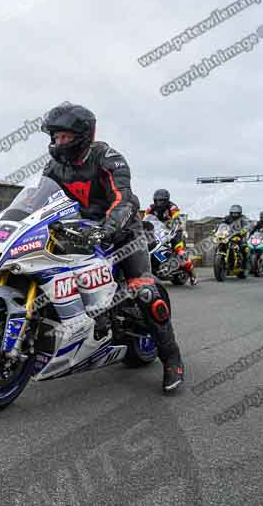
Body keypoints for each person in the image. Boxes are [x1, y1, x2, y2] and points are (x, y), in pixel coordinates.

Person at [40, 101, 184, 392]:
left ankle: (172, 359)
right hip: (77, 232)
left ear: (82, 135)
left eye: (64, 136)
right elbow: (39, 198)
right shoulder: (54, 166)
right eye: (55, 136)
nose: (58, 142)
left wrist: (109, 229)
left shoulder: (108, 157)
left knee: (145, 291)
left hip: (123, 233)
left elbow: (123, 199)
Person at [144, 189, 196, 285]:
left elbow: (176, 218)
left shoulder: (172, 207)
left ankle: (192, 274)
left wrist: (174, 224)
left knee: (179, 251)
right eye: (157, 200)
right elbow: (146, 219)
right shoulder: (151, 207)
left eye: (161, 200)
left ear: (167, 200)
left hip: (174, 230)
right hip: (158, 231)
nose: (159, 203)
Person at [221, 204, 252, 272]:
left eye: (236, 213)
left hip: (240, 236)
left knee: (244, 248)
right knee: (220, 244)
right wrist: (218, 230)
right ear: (231, 213)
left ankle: (244, 265)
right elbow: (221, 224)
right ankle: (221, 262)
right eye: (233, 213)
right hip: (228, 236)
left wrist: (244, 230)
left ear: (239, 213)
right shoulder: (227, 218)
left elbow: (248, 225)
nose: (234, 214)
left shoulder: (243, 218)